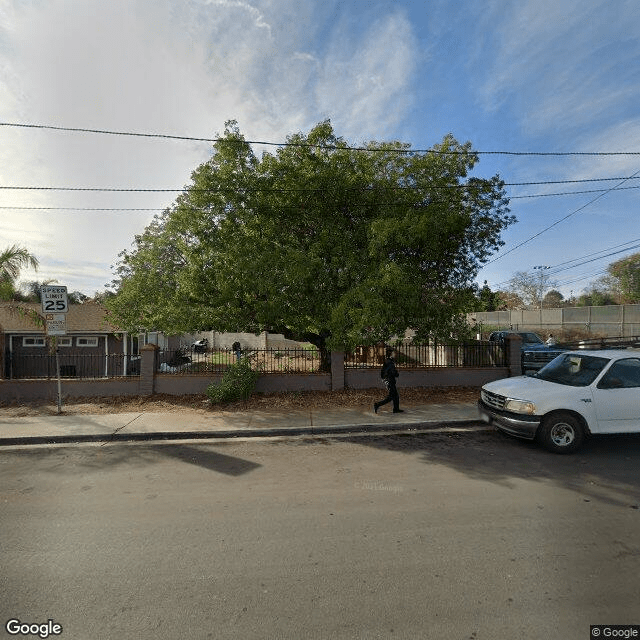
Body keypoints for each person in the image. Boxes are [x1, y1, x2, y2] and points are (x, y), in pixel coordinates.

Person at [374, 348, 403, 414]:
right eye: (394, 353)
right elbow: (392, 372)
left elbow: (384, 372)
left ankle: (396, 409)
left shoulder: (388, 361)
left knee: (395, 395)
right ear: (391, 354)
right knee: (391, 396)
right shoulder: (389, 362)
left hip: (388, 380)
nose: (395, 354)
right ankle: (377, 404)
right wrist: (396, 374)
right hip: (390, 381)